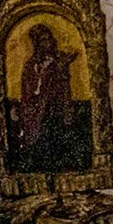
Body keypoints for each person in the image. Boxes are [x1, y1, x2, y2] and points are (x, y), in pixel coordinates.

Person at [12, 22, 91, 172]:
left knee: (59, 141)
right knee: (41, 145)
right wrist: (44, 72)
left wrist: (60, 69)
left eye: (49, 38)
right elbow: (31, 91)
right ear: (37, 44)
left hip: (57, 109)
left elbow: (63, 86)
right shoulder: (31, 66)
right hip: (39, 112)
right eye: (44, 40)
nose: (49, 42)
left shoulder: (57, 61)